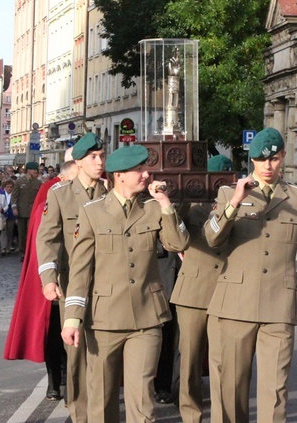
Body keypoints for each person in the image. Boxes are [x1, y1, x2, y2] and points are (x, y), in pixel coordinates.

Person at [204, 127, 297, 423]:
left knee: (275, 391)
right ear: (252, 160)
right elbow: (211, 238)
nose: (268, 166)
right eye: (262, 160)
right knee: (230, 390)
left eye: (274, 159)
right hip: (234, 307)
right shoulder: (228, 194)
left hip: (277, 308)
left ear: (283, 157)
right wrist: (235, 202)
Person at [61, 144, 190, 422]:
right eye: (139, 170)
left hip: (146, 318)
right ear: (119, 175)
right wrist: (72, 318)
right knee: (102, 398)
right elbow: (80, 271)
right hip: (104, 319)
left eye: (146, 168)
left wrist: (166, 204)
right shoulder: (92, 212)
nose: (146, 174)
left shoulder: (154, 208)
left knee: (142, 397)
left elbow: (179, 243)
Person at [37, 133, 107, 420]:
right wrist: (49, 278)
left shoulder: (110, 191)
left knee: (103, 351)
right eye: (93, 157)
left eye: (102, 156)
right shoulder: (60, 194)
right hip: (72, 283)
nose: (100, 162)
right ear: (78, 162)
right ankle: (80, 412)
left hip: (106, 283)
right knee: (76, 354)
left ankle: (102, 409)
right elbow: (48, 239)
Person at [4, 152, 77, 402]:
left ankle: (70, 379)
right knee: (53, 331)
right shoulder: (50, 190)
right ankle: (54, 381)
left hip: (77, 275)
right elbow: (42, 234)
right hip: (53, 275)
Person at [169, 155, 233, 423]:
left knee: (223, 363)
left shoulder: (237, 204)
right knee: (190, 359)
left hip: (227, 290)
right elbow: (175, 233)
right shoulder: (191, 205)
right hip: (193, 292)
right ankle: (190, 414)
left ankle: (222, 415)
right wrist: (181, 195)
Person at [11, 161, 43, 261]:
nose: (35, 172)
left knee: (31, 232)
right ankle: (22, 252)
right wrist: (14, 208)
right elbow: (14, 196)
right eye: (34, 170)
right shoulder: (19, 181)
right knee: (21, 233)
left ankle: (30, 252)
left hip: (33, 211)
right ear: (28, 170)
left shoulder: (38, 182)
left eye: (36, 170)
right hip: (21, 210)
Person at [0, 179, 17, 256]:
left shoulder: (14, 194)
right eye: (7, 187)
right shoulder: (1, 193)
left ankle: (8, 247)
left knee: (10, 231)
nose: (9, 188)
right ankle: (3, 248)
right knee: (3, 231)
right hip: (3, 214)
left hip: (11, 215)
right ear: (4, 187)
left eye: (11, 187)